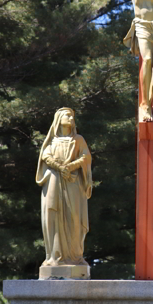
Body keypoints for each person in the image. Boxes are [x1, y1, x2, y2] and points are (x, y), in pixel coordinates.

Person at [36, 108, 92, 267]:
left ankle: (74, 256)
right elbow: (45, 157)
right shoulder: (51, 141)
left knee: (74, 216)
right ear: (58, 119)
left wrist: (71, 166)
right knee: (53, 215)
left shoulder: (78, 139)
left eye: (72, 116)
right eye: (67, 115)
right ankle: (55, 256)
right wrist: (61, 168)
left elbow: (86, 156)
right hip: (54, 180)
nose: (71, 118)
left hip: (73, 182)